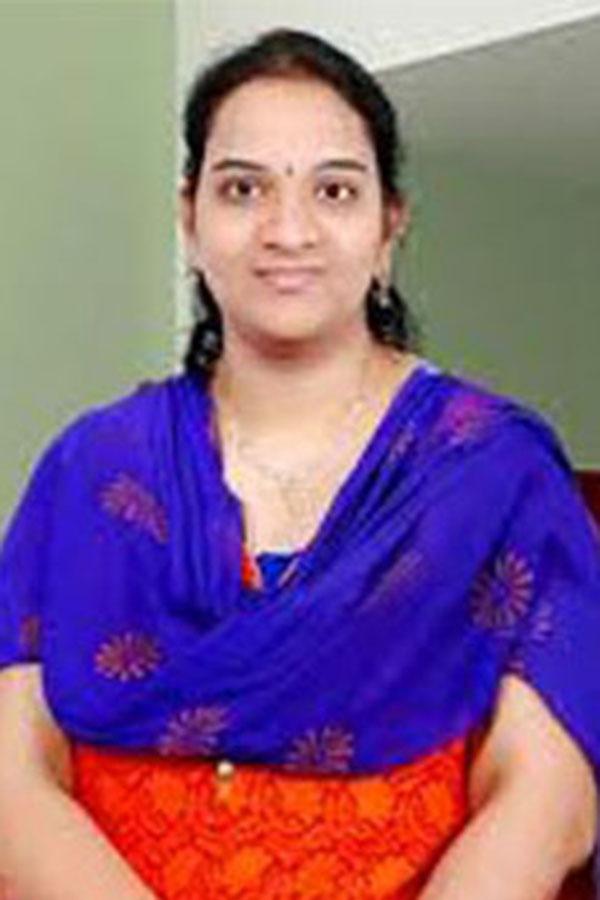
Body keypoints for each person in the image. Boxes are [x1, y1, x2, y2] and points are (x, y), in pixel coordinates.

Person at [0, 27, 599, 900]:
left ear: (389, 228)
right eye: (244, 188)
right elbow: (12, 776)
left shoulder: (493, 472)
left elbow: (548, 799)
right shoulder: (93, 468)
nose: (288, 230)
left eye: (335, 190)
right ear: (191, 220)